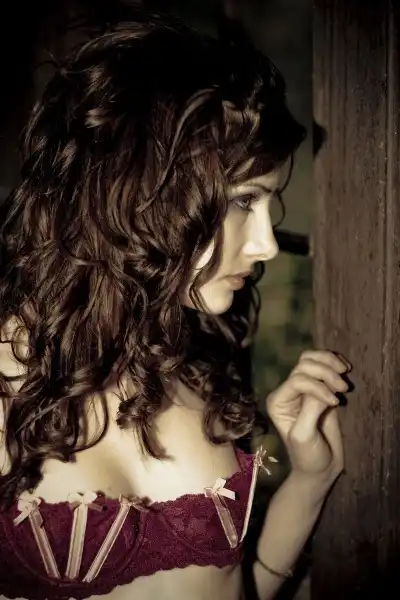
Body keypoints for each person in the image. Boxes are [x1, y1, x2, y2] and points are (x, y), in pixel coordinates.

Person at [0, 14, 349, 600]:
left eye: (268, 205)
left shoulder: (194, 355)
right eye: (244, 201)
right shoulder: (8, 377)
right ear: (142, 191)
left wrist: (312, 478)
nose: (266, 245)